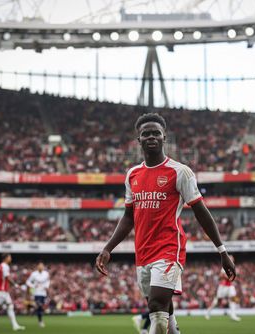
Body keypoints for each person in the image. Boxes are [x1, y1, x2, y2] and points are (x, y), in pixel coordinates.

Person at [96, 113, 236, 334]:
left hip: (169, 248)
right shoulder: (132, 174)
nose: (151, 136)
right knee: (164, 310)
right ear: (138, 140)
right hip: (143, 251)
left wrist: (222, 251)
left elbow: (201, 211)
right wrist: (107, 248)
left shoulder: (180, 172)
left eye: (156, 133)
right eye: (146, 133)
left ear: (164, 137)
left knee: (156, 308)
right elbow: (128, 217)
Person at [205, 255, 241, 321]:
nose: (232, 260)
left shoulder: (233, 267)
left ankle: (233, 315)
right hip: (223, 286)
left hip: (230, 286)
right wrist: (229, 278)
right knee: (216, 301)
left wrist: (233, 278)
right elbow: (221, 275)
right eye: (230, 258)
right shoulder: (225, 266)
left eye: (232, 259)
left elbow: (233, 277)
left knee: (233, 299)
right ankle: (208, 312)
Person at [26, 262, 50, 327]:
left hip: (43, 293)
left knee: (40, 307)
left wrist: (46, 287)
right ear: (37, 267)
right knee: (39, 305)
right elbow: (28, 281)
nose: (41, 267)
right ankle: (40, 321)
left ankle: (33, 310)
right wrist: (33, 286)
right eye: (39, 266)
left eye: (42, 266)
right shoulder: (34, 274)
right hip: (36, 292)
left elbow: (48, 281)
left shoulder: (46, 273)